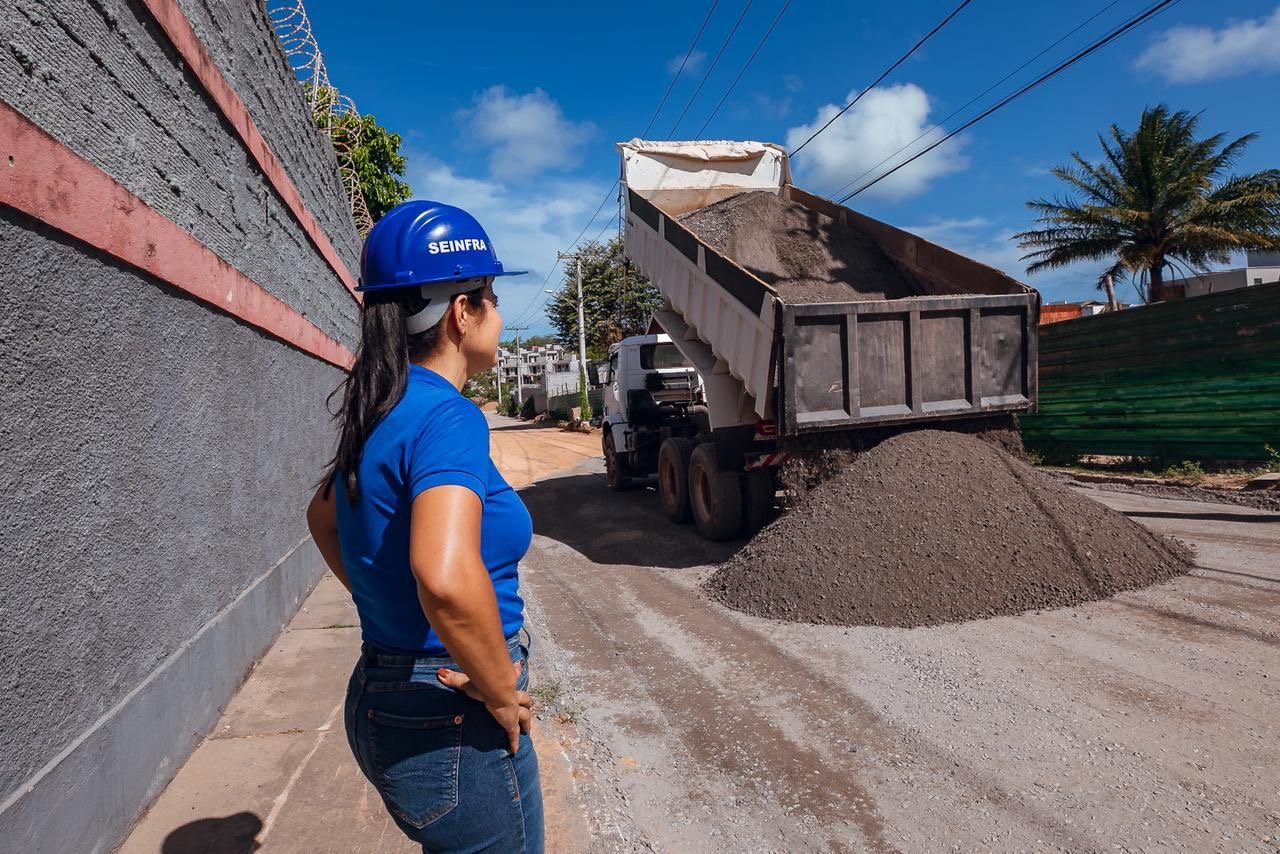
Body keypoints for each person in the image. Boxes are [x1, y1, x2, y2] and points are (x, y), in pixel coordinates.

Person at [306, 200, 543, 852]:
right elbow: (442, 578)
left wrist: (378, 597)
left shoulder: (381, 403)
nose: (496, 314)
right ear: (462, 313)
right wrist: (498, 689)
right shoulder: (449, 417)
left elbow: (323, 517)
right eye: (490, 298)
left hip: (380, 697)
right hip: (451, 714)